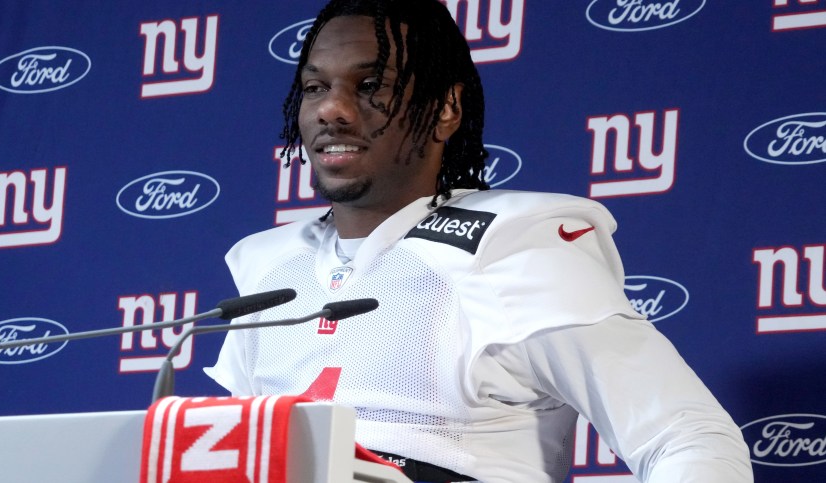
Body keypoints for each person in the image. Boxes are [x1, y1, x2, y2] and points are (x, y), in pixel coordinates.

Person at [205, 0, 754, 481]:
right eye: (316, 88)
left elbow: (688, 437)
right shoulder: (271, 269)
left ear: (446, 110)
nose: (332, 109)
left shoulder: (515, 249)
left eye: (371, 86)